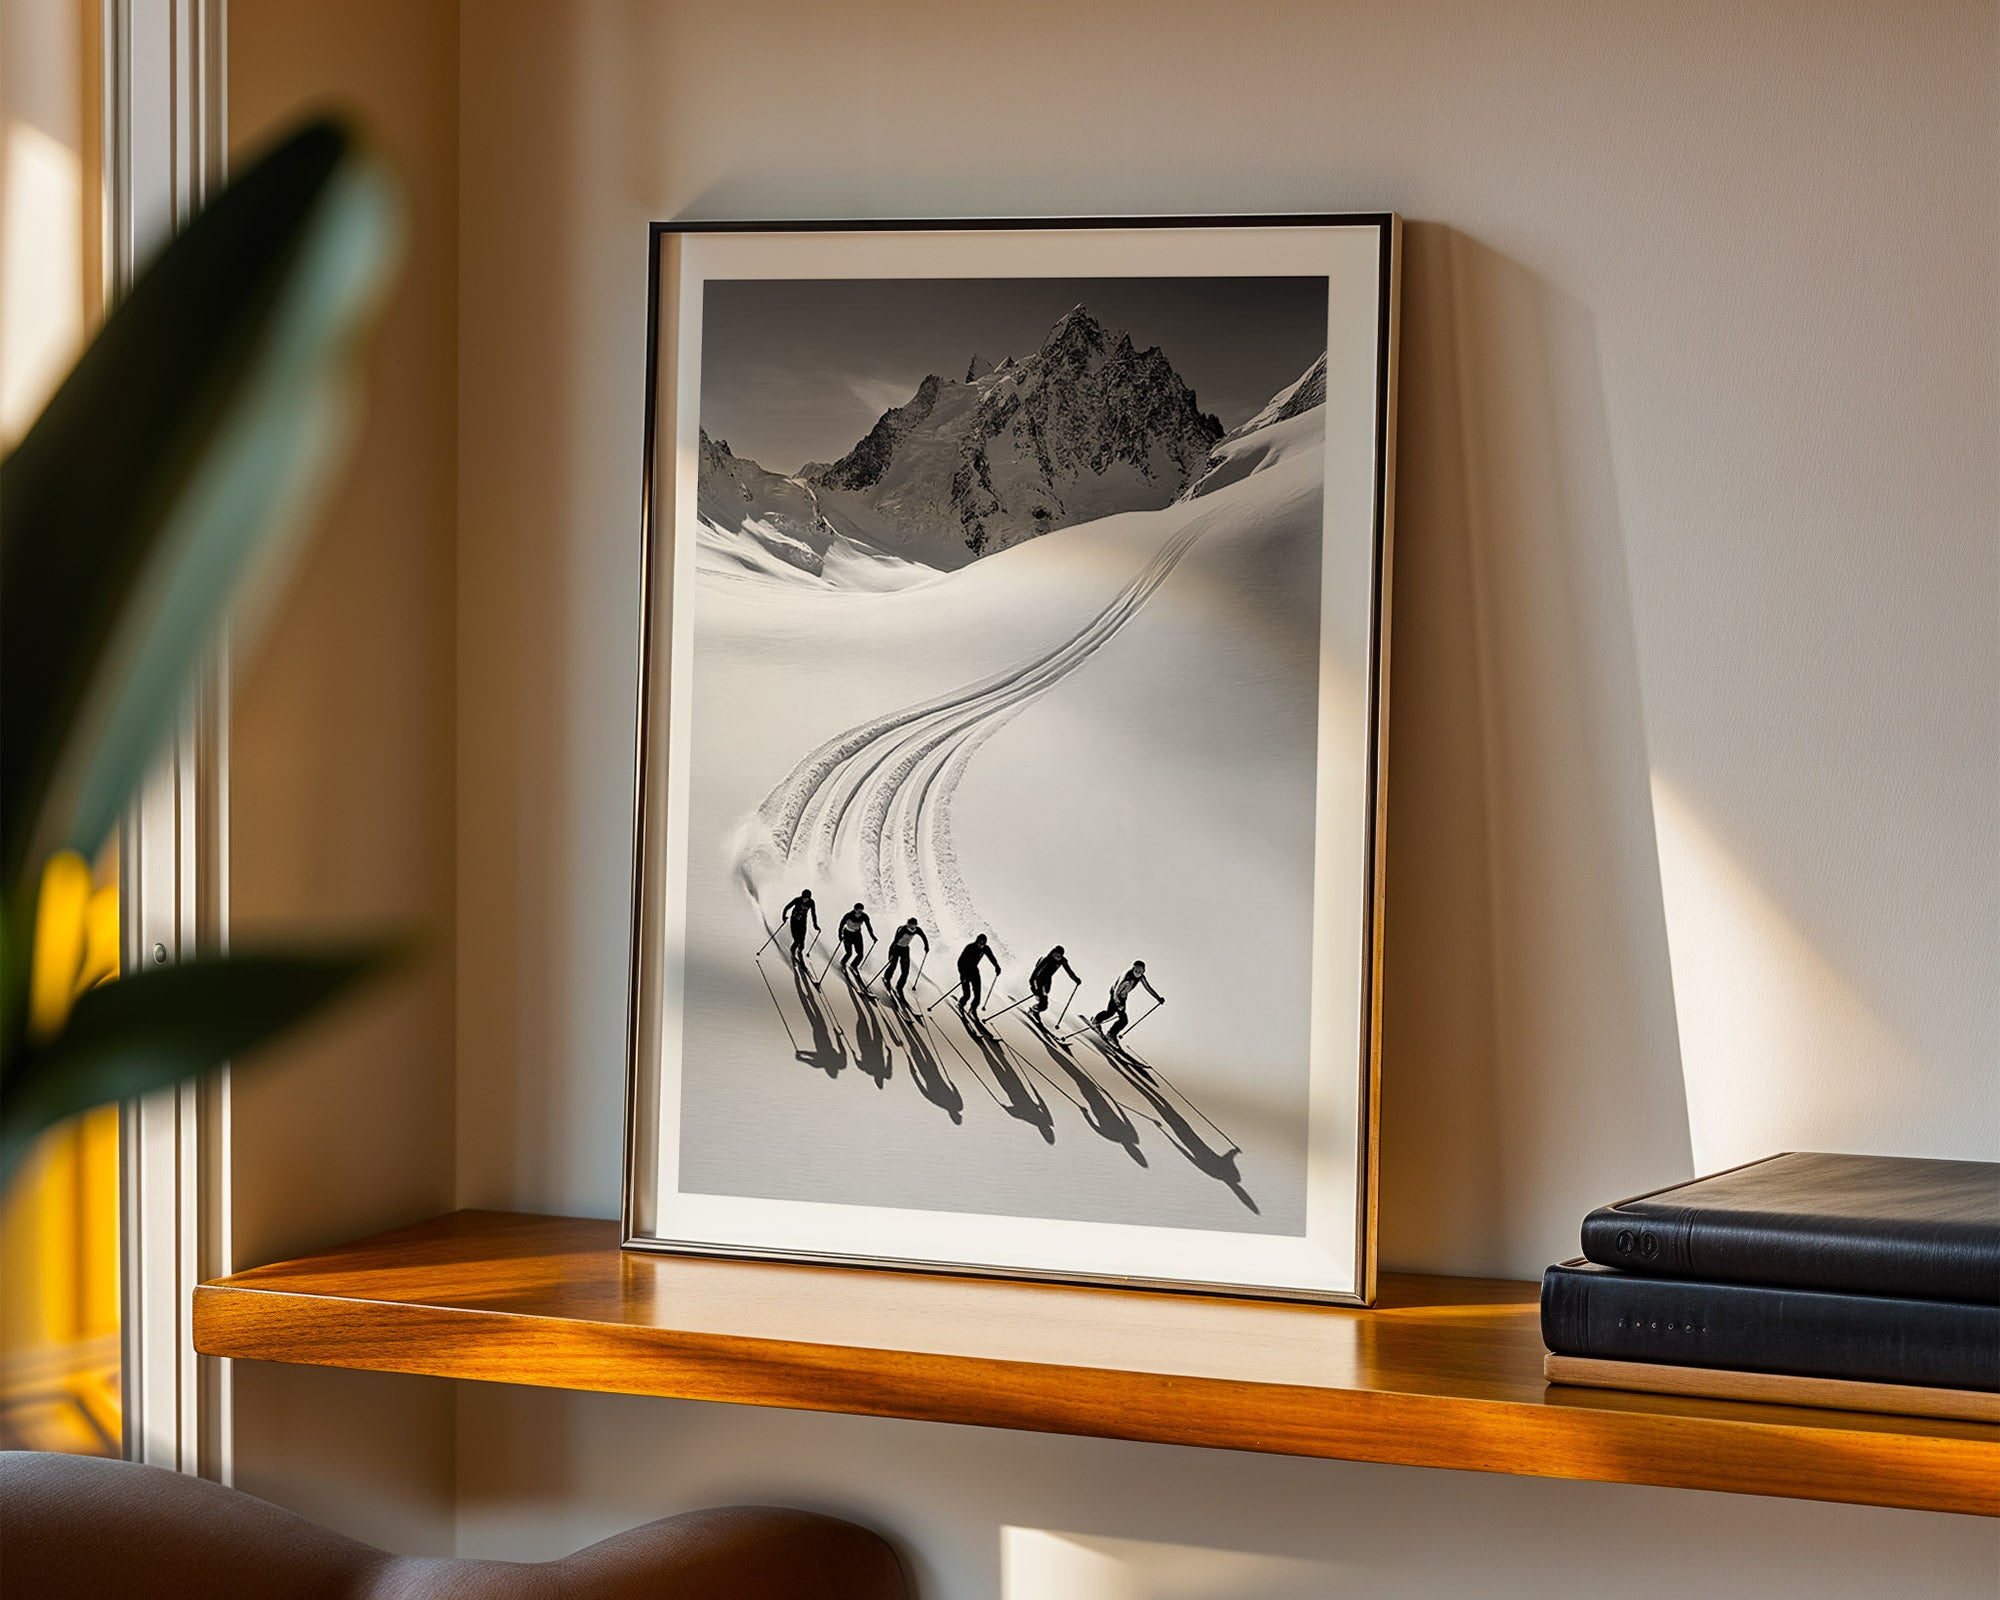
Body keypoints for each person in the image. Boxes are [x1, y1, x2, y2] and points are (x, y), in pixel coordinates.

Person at [1093, 960, 1163, 1043]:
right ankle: (1097, 1021)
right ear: (1133, 968)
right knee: (1112, 1013)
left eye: (1140, 971)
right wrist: (1118, 1003)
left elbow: (1148, 988)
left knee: (1123, 1020)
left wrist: (1158, 998)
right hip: (1115, 994)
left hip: (1123, 996)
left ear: (1143, 971)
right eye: (1136, 970)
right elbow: (1116, 991)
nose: (1137, 973)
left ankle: (1111, 1033)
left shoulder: (1141, 977)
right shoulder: (1127, 976)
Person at [1029, 945, 1080, 1019]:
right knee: (1044, 1003)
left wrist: (1076, 979)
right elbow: (1035, 973)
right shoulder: (1046, 959)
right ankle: (1034, 1010)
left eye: (1059, 956)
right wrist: (1033, 986)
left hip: (1047, 980)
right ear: (1053, 953)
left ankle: (1036, 1010)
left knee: (1045, 998)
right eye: (1055, 955)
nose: (1057, 957)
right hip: (1039, 978)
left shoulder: (1062, 961)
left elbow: (1069, 971)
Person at [883, 918, 929, 998]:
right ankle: (887, 978)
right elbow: (895, 941)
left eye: (913, 925)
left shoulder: (917, 930)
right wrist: (891, 954)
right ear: (907, 924)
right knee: (893, 966)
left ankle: (899, 987)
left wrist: (926, 946)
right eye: (910, 925)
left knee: (905, 971)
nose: (911, 927)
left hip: (905, 949)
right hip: (896, 948)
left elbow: (924, 937)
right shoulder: (902, 929)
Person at [956, 933, 1000, 1014]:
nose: (981, 945)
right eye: (979, 942)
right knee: (967, 995)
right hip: (965, 970)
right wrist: (963, 974)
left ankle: (973, 1008)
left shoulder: (985, 949)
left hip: (974, 971)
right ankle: (961, 1003)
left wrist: (997, 966)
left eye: (983, 943)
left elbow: (991, 957)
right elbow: (960, 962)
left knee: (977, 994)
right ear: (976, 941)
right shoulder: (970, 947)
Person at [779, 889, 818, 962]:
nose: (805, 900)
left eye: (807, 898)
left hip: (803, 922)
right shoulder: (797, 900)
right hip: (794, 921)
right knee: (797, 940)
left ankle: (800, 951)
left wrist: (815, 925)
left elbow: (813, 914)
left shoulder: (811, 903)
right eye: (804, 898)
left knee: (802, 941)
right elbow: (787, 907)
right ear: (802, 896)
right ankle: (792, 950)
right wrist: (784, 917)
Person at [837, 902, 874, 975]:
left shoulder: (864, 916)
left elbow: (869, 927)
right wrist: (840, 935)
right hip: (847, 933)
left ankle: (854, 965)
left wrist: (872, 936)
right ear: (855, 910)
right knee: (849, 953)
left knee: (860, 954)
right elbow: (841, 925)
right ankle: (843, 962)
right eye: (859, 911)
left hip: (857, 935)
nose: (860, 913)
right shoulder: (848, 915)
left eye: (861, 911)